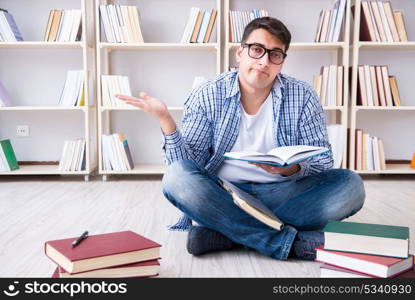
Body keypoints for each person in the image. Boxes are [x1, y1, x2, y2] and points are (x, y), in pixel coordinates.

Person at [116, 17, 365, 260]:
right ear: (240, 52)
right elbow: (187, 165)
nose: (264, 61)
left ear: (282, 61)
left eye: (275, 54)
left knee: (350, 185)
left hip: (283, 193)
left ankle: (226, 233)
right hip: (225, 194)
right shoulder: (208, 93)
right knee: (176, 177)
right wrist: (166, 122)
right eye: (257, 50)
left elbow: (323, 160)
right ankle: (287, 242)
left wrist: (291, 168)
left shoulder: (302, 95)